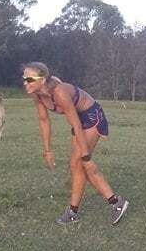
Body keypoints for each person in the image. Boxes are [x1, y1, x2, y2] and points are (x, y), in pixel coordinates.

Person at [21, 62, 129, 225]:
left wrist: (87, 157)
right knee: (75, 166)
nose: (25, 83)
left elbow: (77, 124)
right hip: (78, 121)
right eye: (24, 79)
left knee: (81, 163)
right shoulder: (36, 94)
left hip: (91, 117)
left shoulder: (60, 93)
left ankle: (116, 203)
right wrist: (48, 150)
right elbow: (44, 120)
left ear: (42, 80)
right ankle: (74, 212)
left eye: (30, 79)